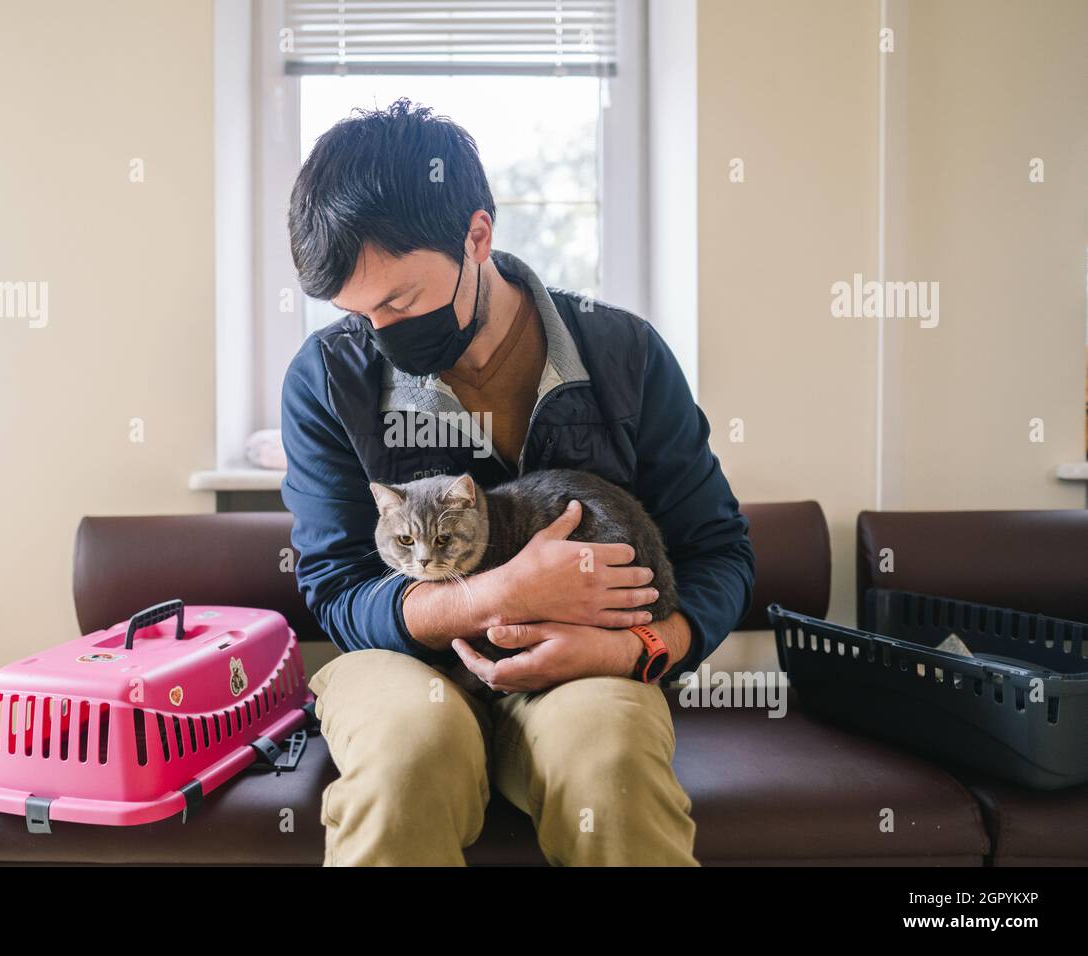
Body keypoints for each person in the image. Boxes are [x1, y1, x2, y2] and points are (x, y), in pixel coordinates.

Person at [280, 98, 754, 866]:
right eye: (357, 314)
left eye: (399, 300)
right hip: (405, 665)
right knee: (404, 762)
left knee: (611, 767)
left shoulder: (624, 354)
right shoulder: (328, 379)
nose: (382, 337)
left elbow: (719, 550)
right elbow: (334, 587)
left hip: (589, 664)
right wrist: (495, 597)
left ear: (478, 236)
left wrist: (639, 650)